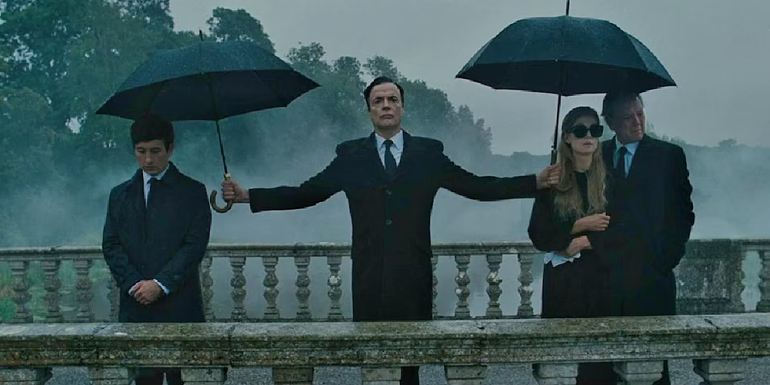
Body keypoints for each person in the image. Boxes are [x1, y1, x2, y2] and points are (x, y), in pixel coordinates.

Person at [222, 76, 559, 385]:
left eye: (392, 99)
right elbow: (305, 193)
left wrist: (534, 181)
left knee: (410, 365)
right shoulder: (350, 156)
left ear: (402, 108)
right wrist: (247, 195)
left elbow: (479, 187)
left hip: (413, 276)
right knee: (374, 364)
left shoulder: (428, 154)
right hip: (368, 277)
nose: (386, 105)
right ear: (369, 110)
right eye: (378, 101)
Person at [574, 92, 695, 385]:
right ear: (610, 122)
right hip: (602, 280)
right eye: (628, 117)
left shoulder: (669, 156)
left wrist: (664, 262)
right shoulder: (593, 156)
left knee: (651, 370)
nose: (638, 122)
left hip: (650, 279)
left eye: (640, 113)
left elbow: (683, 215)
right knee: (597, 369)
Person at [102, 114, 212, 385]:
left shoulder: (193, 192)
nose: (148, 160)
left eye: (155, 151)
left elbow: (194, 246)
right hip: (136, 306)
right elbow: (111, 244)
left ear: (170, 148)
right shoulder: (120, 194)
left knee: (183, 380)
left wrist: (161, 284)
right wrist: (134, 284)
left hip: (180, 306)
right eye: (141, 152)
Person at [528, 106, 617, 384]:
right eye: (580, 130)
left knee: (598, 367)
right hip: (564, 284)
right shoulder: (552, 181)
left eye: (595, 130)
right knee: (562, 362)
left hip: (601, 279)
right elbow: (538, 235)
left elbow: (622, 230)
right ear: (567, 137)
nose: (588, 136)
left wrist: (586, 241)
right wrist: (578, 226)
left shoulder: (611, 180)